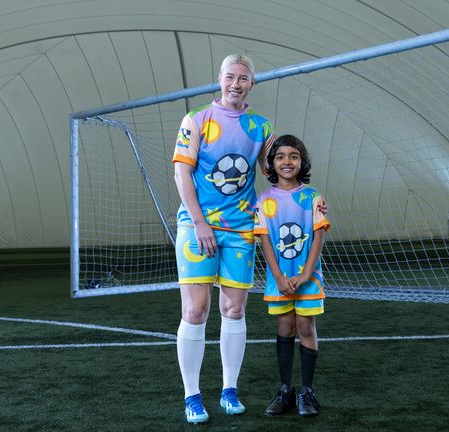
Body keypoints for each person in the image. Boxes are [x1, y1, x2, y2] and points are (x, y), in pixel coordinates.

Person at [172, 53, 273, 424]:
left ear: (252, 83)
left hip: (240, 230)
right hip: (198, 227)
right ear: (219, 79)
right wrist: (199, 222)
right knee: (195, 310)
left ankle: (230, 389)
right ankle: (192, 395)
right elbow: (182, 175)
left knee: (234, 309)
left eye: (243, 78)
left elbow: (275, 172)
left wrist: (299, 199)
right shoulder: (196, 119)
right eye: (230, 77)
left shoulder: (262, 127)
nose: (236, 84)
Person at [253, 134, 330, 417]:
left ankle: (306, 392)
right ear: (271, 163)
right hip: (280, 280)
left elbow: (319, 237)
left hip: (308, 280)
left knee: (305, 327)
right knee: (285, 327)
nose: (287, 161)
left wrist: (307, 273)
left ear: (302, 161)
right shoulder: (264, 202)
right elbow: (266, 242)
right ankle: (286, 390)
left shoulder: (313, 198)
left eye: (294, 156)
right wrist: (279, 277)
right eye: (281, 156)